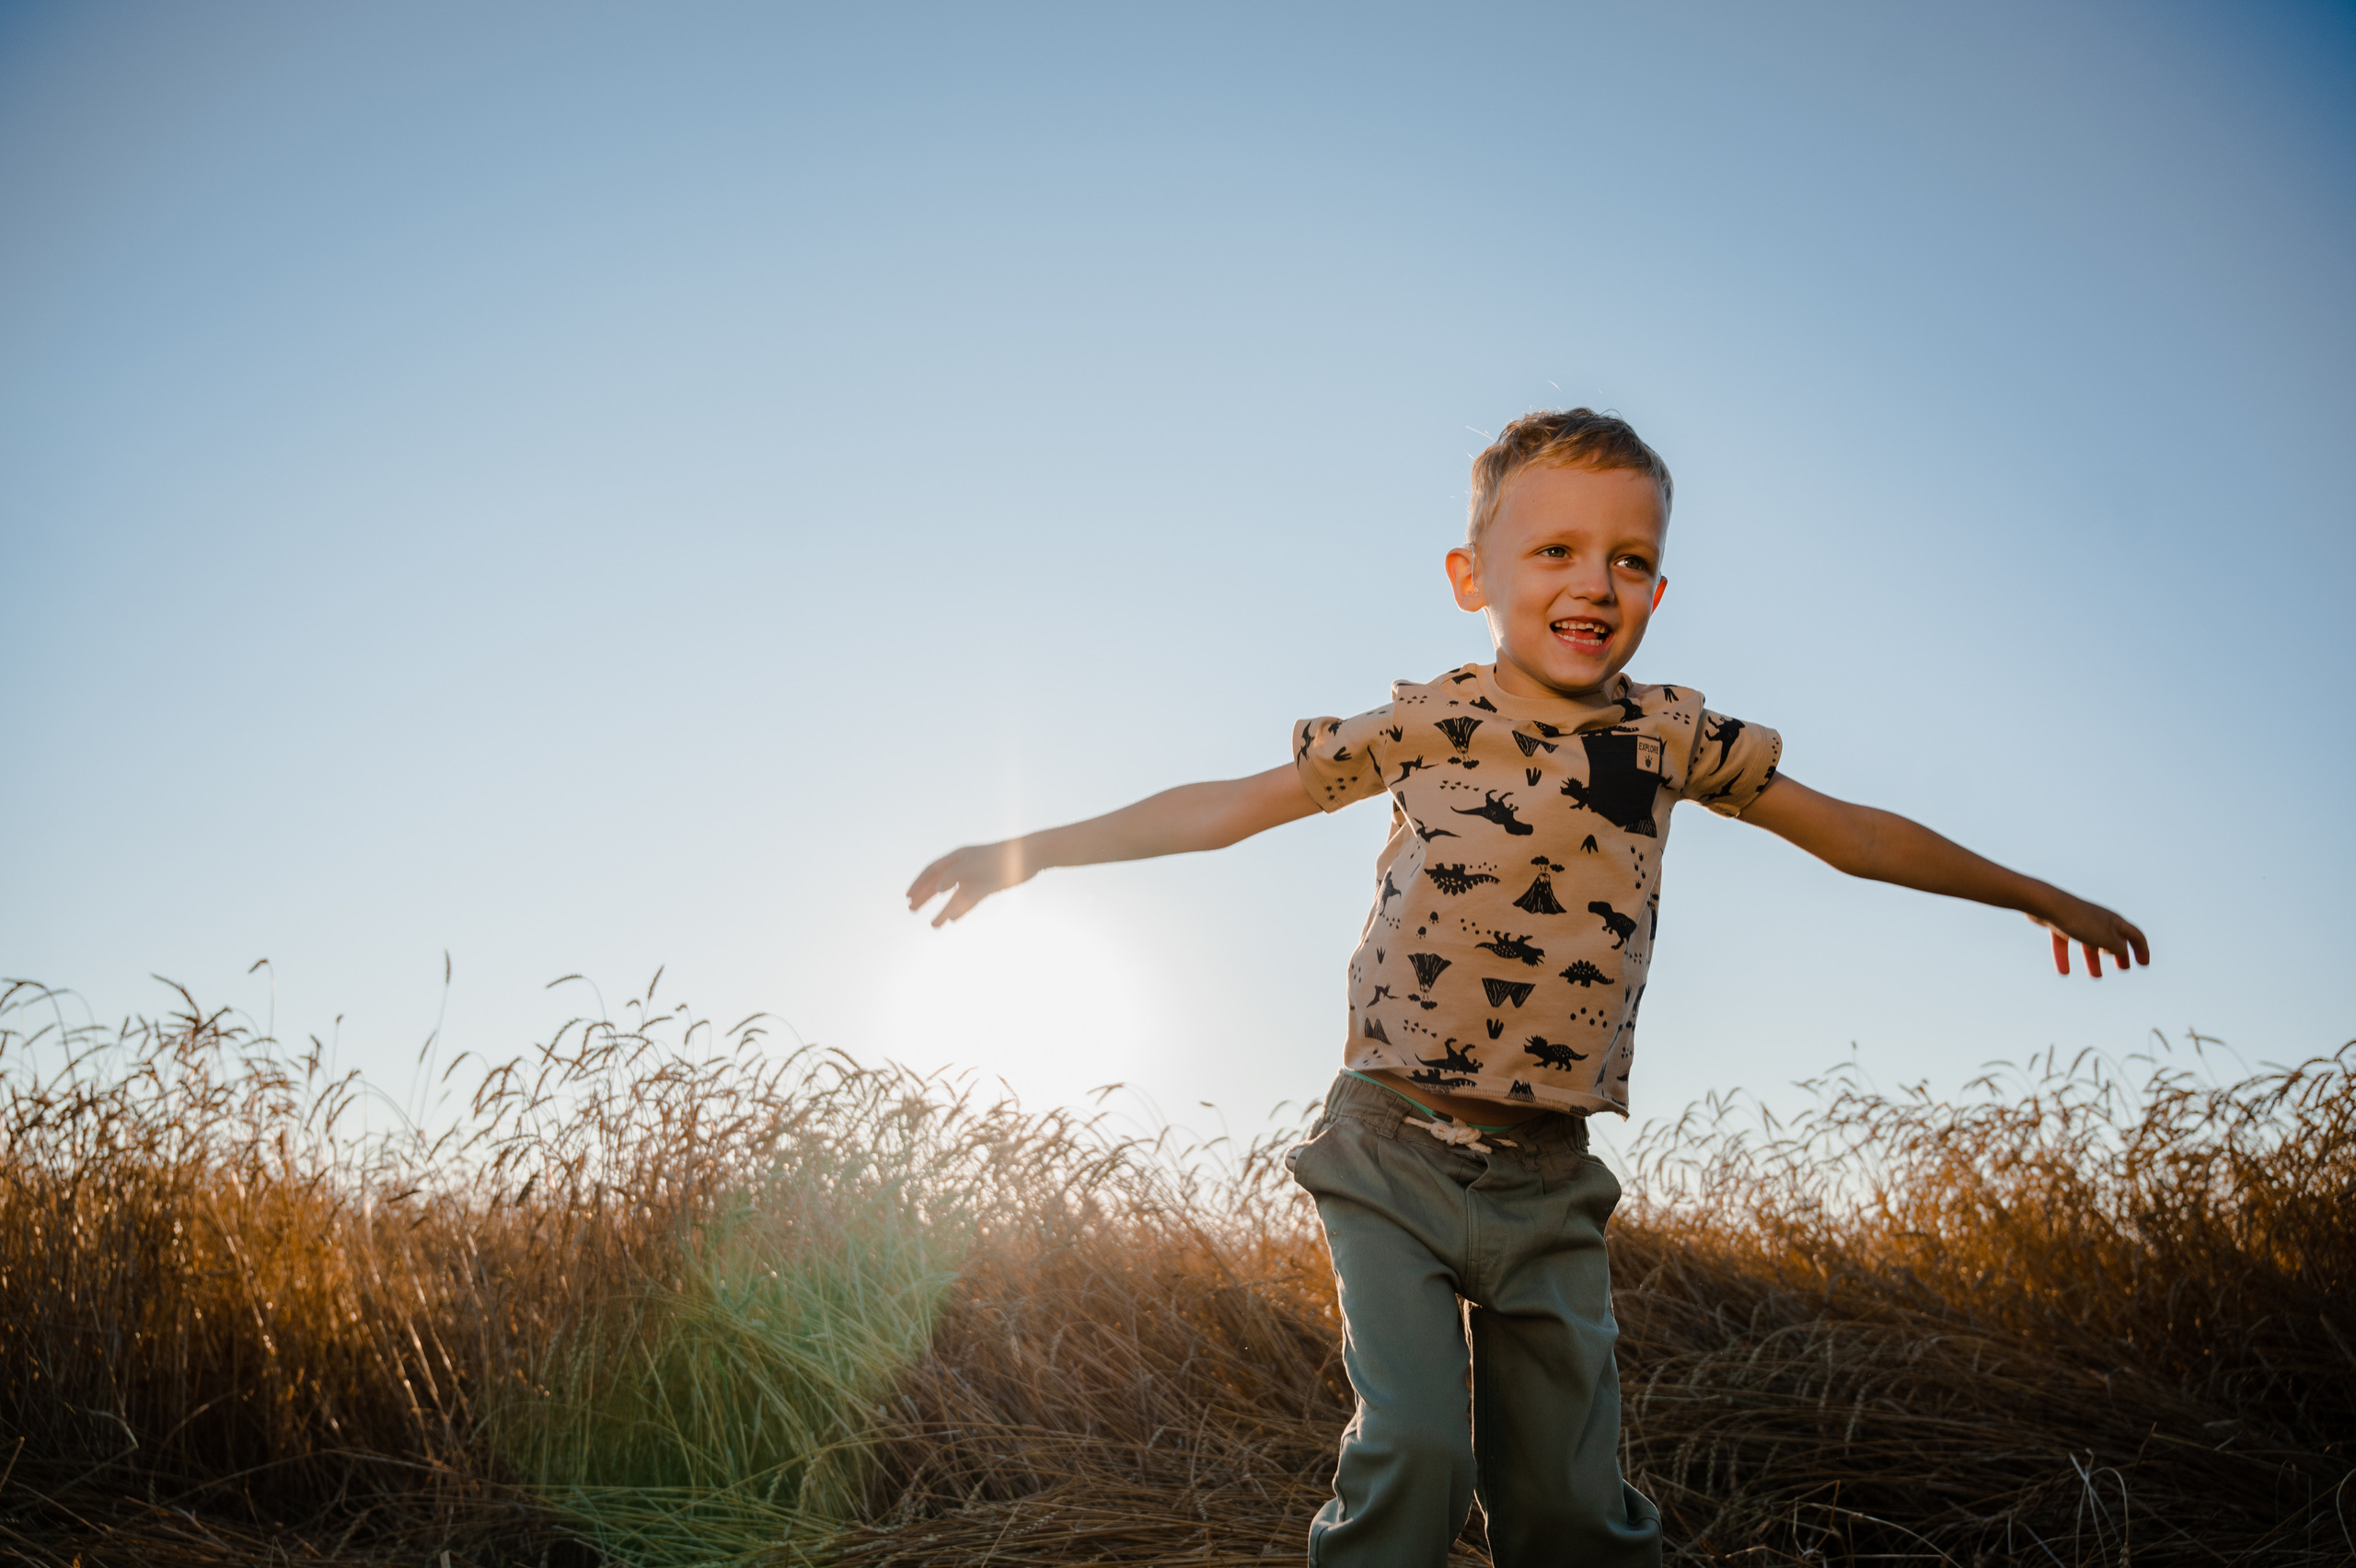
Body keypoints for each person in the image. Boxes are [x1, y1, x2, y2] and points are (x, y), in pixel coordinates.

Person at [905, 409, 2150, 1568]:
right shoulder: (1426, 724)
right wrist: (1031, 848)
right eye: (1555, 548)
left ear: (1658, 589)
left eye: (1629, 560)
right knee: (1418, 1459)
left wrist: (2032, 891)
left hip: (1549, 1179)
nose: (1593, 584)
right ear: (1473, 577)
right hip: (1390, 1151)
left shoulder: (1671, 741)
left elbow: (1852, 833)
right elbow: (1227, 809)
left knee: (1565, 1506)